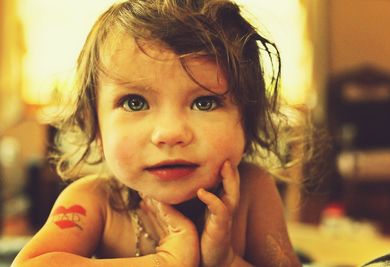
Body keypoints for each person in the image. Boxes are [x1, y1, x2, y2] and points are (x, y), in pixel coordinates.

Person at [12, 0, 302, 266]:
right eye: (134, 102)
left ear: (248, 122)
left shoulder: (253, 190)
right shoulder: (95, 200)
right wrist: (163, 262)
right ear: (96, 129)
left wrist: (226, 259)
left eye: (204, 102)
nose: (170, 133)